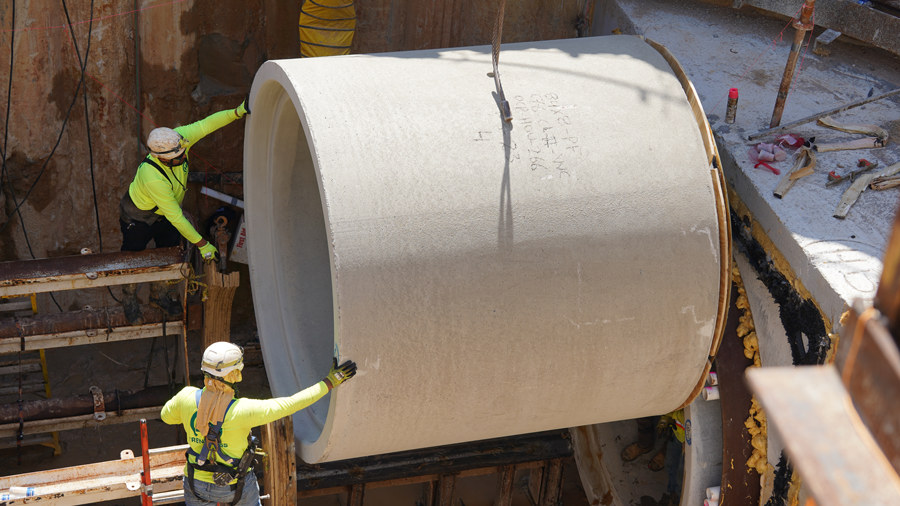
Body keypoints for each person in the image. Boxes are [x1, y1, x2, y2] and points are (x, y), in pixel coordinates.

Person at [161, 342, 357, 506]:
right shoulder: (244, 410)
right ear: (234, 375)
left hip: (196, 484)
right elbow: (293, 403)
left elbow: (166, 417)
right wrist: (331, 380)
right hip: (236, 486)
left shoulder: (185, 397)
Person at [118, 99, 250, 325]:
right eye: (178, 156)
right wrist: (202, 245)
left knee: (170, 253)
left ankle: (159, 295)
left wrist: (237, 112)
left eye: (183, 151)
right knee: (133, 258)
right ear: (163, 158)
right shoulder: (153, 177)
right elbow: (176, 217)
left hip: (164, 214)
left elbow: (207, 124)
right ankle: (129, 299)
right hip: (138, 218)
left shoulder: (179, 139)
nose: (183, 155)